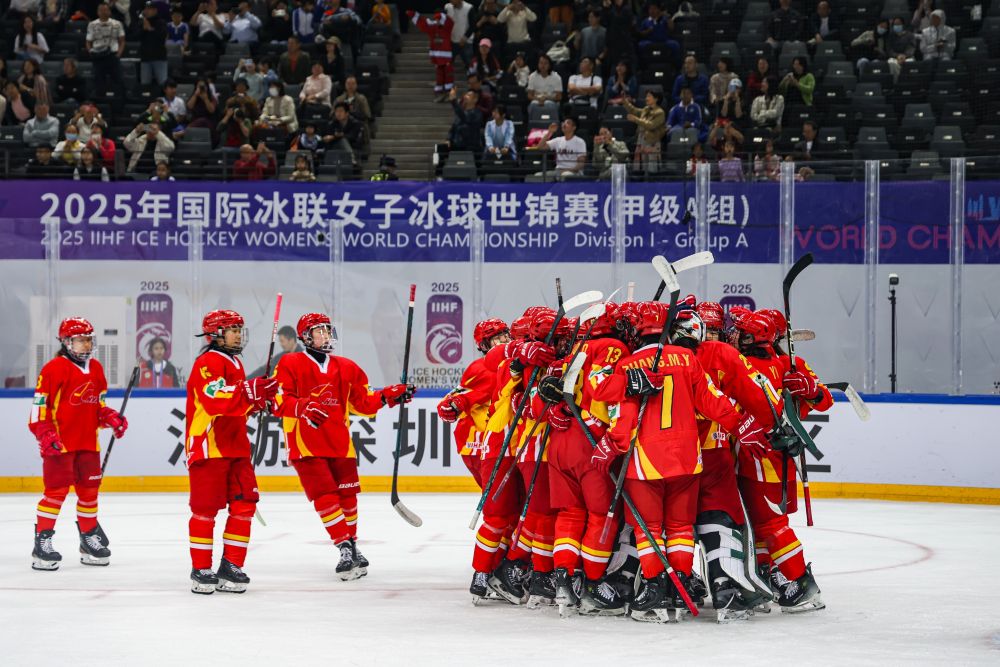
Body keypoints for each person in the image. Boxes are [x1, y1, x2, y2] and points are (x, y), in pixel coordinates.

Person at [594, 301, 768, 623]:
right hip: (688, 460)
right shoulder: (688, 359)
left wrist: (611, 445)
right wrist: (740, 425)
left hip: (646, 461)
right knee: (680, 528)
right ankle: (679, 588)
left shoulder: (630, 364)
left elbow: (624, 415)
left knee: (649, 530)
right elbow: (712, 400)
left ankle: (655, 592)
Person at [271, 313, 414, 580]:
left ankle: (352, 546)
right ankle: (344, 546)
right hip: (306, 443)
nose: (325, 335)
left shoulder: (347, 367)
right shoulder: (290, 362)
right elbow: (279, 401)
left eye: (327, 330)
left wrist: (387, 396)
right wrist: (303, 407)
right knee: (325, 495)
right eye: (319, 331)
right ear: (305, 336)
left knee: (348, 496)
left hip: (340, 443)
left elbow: (363, 403)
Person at [726, 307, 828, 613]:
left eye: (740, 331)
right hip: (758, 456)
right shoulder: (777, 362)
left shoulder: (775, 364)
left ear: (751, 337)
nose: (733, 334)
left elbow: (823, 399)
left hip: (765, 458)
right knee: (758, 524)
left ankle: (801, 584)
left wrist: (809, 389)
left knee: (771, 524)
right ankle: (765, 578)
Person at [185, 309, 277, 594]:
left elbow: (237, 404)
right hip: (209, 448)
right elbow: (214, 399)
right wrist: (249, 392)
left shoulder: (235, 362)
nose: (238, 334)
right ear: (215, 334)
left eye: (239, 329)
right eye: (232, 329)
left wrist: (258, 401)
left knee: (245, 504)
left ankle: (231, 565)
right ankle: (201, 568)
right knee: (205, 510)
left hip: (236, 448)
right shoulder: (208, 361)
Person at [27, 317, 128, 572]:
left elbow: (98, 407)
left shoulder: (96, 368)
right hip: (60, 445)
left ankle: (88, 539)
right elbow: (39, 409)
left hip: (88, 444)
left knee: (89, 493)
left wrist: (110, 418)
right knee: (56, 493)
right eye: (80, 340)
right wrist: (45, 434)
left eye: (88, 340)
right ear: (66, 342)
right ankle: (42, 542)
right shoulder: (53, 369)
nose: (86, 344)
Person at [409, 10, 455, 102]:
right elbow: (423, 24)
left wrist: (440, 15)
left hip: (446, 57)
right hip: (437, 57)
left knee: (448, 75)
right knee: (439, 76)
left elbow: (450, 22)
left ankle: (449, 94)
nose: (437, 21)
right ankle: (440, 94)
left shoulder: (447, 27)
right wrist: (413, 15)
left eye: (439, 19)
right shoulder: (433, 27)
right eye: (436, 19)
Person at [86, 3, 126, 99]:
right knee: (99, 80)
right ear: (97, 12)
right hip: (98, 56)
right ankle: (100, 101)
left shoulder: (117, 24)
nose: (103, 12)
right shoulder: (92, 24)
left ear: (109, 11)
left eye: (105, 10)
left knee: (118, 79)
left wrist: (118, 54)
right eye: (101, 10)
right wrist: (90, 52)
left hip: (113, 55)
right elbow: (88, 41)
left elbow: (122, 41)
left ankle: (119, 100)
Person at [139, 2, 168, 87]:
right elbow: (135, 36)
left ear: (155, 10)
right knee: (145, 84)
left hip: (159, 58)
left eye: (149, 9)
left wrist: (150, 29)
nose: (146, 11)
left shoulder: (161, 22)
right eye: (145, 9)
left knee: (163, 83)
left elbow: (162, 36)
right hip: (145, 58)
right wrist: (144, 30)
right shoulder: (142, 22)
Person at [447, 87, 483, 152]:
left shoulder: (477, 113)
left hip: (470, 148)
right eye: (466, 95)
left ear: (475, 99)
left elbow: (465, 118)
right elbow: (453, 127)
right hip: (456, 146)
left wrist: (454, 101)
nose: (465, 97)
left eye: (468, 95)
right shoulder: (461, 113)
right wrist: (448, 139)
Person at [445, 0, 475, 72]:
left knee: (469, 65)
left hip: (465, 41)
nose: (451, 1)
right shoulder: (447, 7)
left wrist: (465, 38)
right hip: (452, 40)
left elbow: (473, 26)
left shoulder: (469, 8)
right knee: (447, 64)